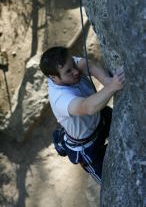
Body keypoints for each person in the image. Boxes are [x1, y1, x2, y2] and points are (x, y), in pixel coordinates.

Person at [39, 46, 125, 184]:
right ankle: (63, 143)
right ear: (54, 77)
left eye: (73, 64)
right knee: (109, 181)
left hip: (99, 118)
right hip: (86, 146)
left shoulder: (66, 65)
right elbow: (87, 107)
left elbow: (86, 64)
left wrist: (106, 80)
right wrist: (113, 86)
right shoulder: (60, 98)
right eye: (68, 71)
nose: (75, 71)